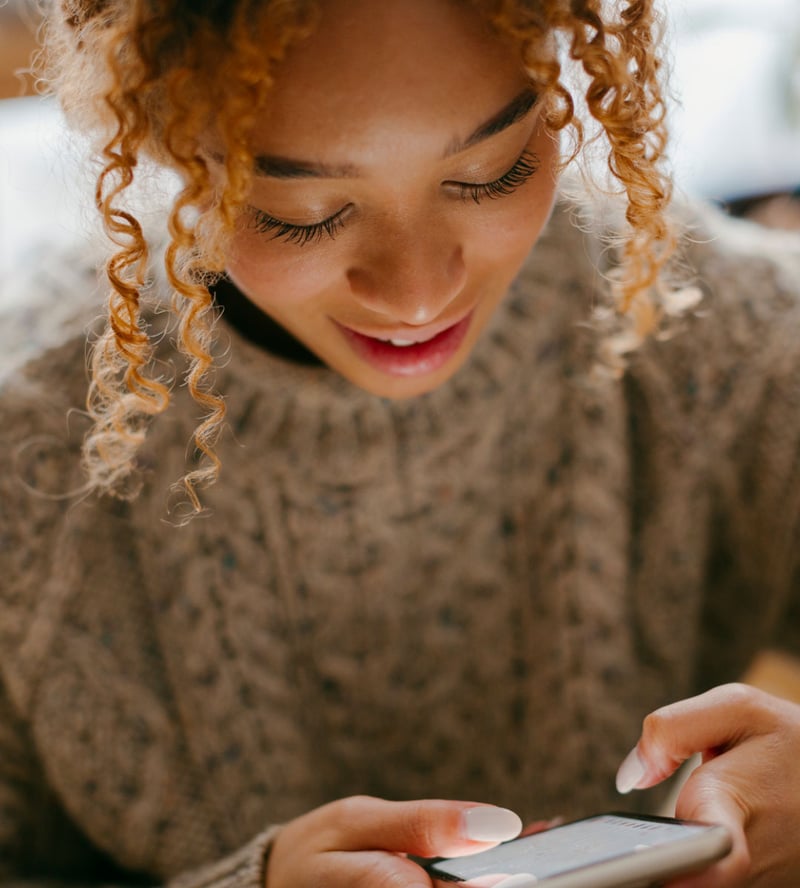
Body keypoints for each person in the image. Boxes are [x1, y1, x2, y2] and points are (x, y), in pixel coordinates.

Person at [1, 0, 799, 886]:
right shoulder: (26, 452)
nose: (419, 295)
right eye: (302, 214)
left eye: (491, 173)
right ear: (162, 138)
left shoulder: (720, 341)